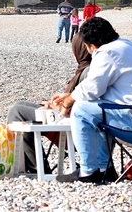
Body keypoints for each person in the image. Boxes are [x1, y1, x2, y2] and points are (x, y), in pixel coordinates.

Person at [52, 17, 132, 184]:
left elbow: (92, 88)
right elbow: (103, 91)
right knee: (96, 112)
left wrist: (69, 101)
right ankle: (106, 169)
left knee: (81, 111)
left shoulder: (106, 52)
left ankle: (88, 171)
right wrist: (69, 96)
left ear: (92, 45)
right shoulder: (125, 45)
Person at [6, 33, 92, 174]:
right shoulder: (88, 70)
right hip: (68, 119)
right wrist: (54, 105)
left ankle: (36, 167)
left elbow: (84, 105)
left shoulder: (87, 72)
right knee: (20, 105)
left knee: (17, 112)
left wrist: (57, 108)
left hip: (72, 127)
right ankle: (35, 166)